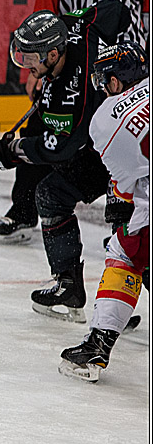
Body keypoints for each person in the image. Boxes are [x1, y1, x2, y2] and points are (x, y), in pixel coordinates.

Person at [0, 0, 132, 322]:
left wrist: (7, 153)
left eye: (31, 58)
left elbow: (60, 149)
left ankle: (116, 308)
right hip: (108, 141)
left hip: (132, 151)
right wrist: (78, 19)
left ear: (55, 54)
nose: (26, 64)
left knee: (128, 233)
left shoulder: (74, 94)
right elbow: (116, 10)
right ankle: (68, 286)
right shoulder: (77, 31)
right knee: (52, 194)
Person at [0, 0, 149, 244]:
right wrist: (39, 61)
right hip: (64, 62)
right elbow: (45, 9)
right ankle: (23, 212)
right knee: (43, 125)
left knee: (127, 136)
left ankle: (132, 225)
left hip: (125, 70)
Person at [60, 42, 149, 382]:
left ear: (115, 82)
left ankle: (98, 345)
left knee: (125, 256)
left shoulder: (106, 119)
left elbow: (124, 185)